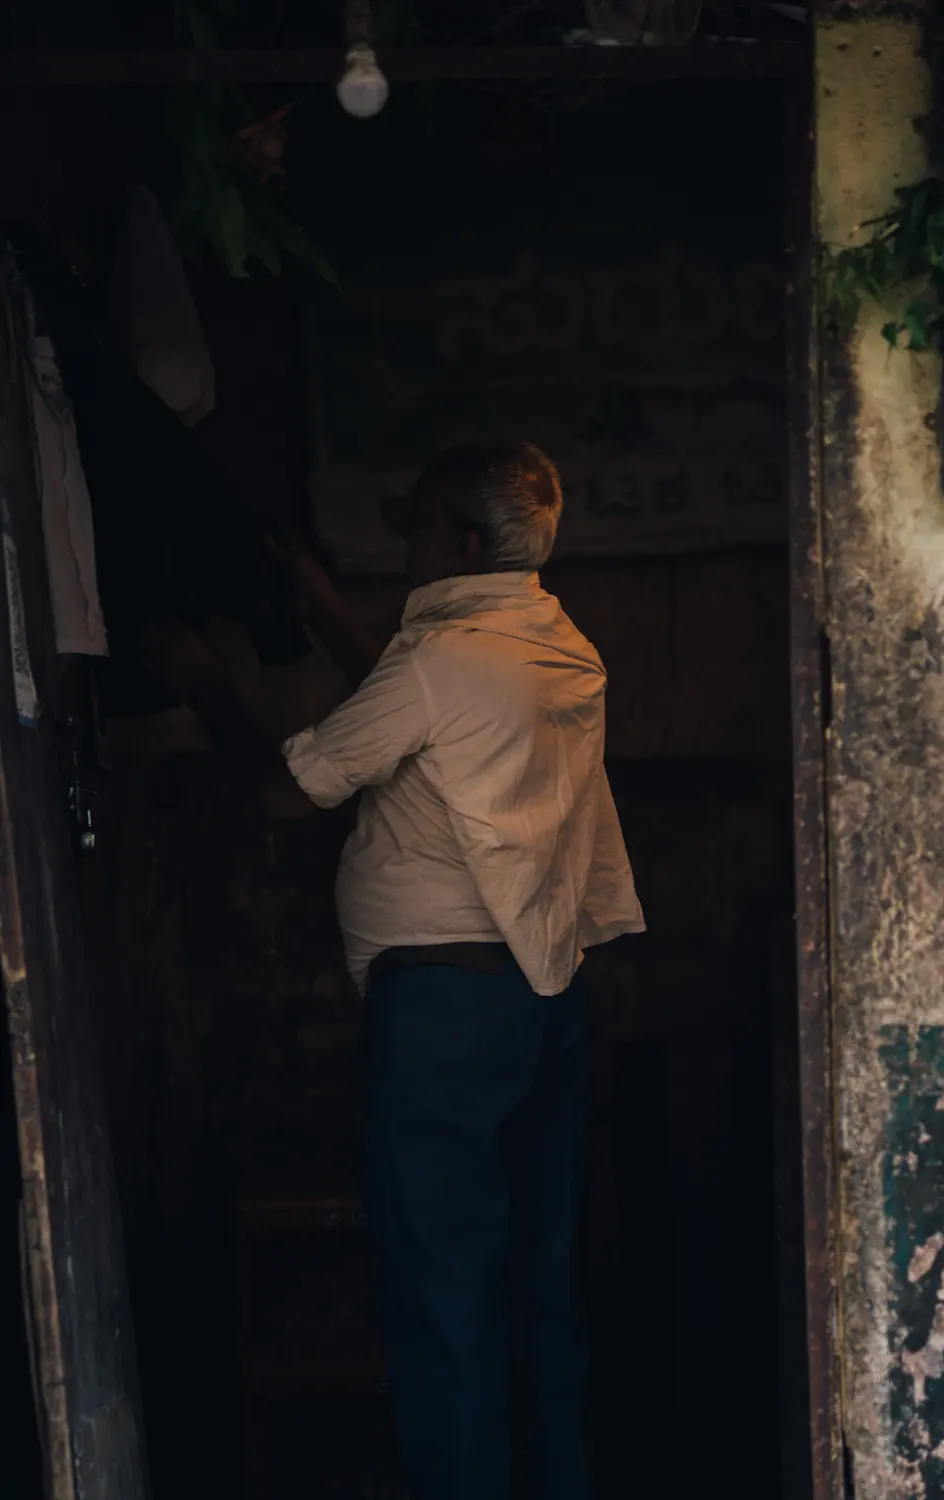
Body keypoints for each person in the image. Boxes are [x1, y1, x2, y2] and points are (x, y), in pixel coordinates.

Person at [144, 440, 644, 1500]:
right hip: (542, 1002)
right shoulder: (549, 640)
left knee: (444, 1300)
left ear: (461, 543)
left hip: (445, 1019)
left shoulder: (441, 663)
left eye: (414, 519)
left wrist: (207, 690)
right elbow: (414, 699)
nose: (400, 532)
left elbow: (290, 790)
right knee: (536, 1291)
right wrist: (319, 603)